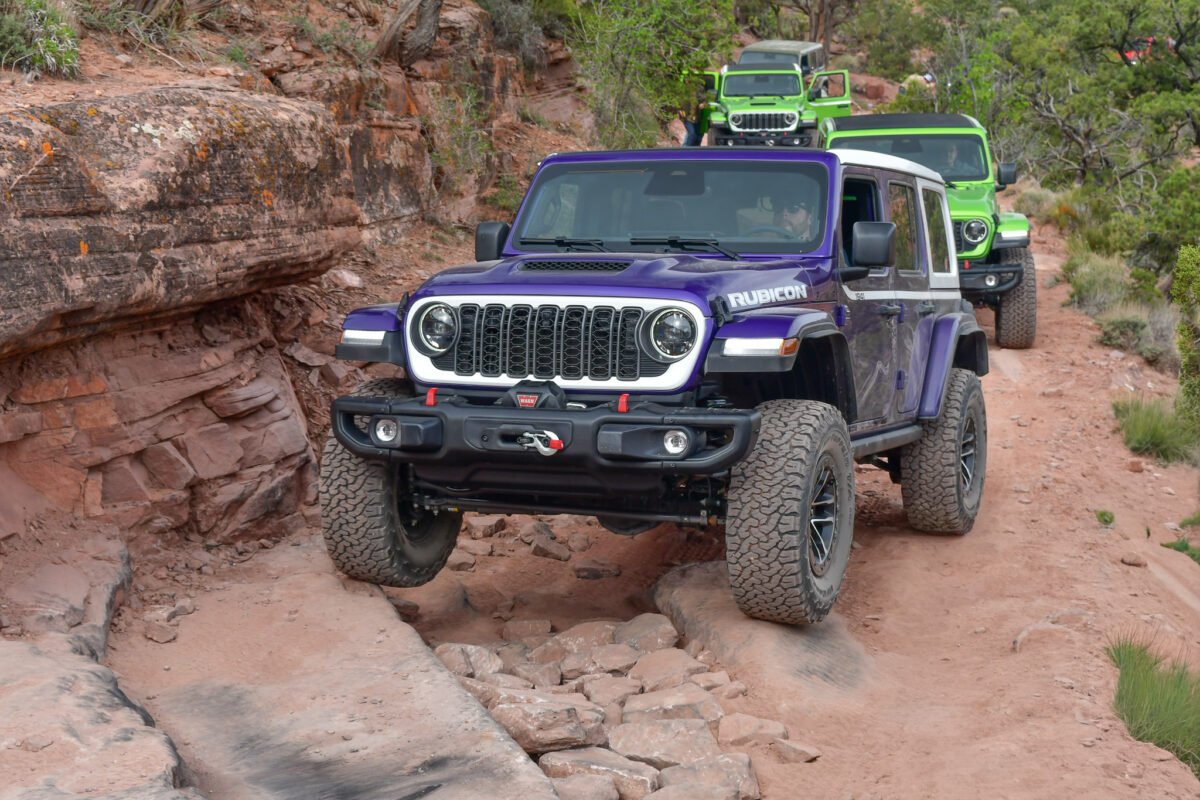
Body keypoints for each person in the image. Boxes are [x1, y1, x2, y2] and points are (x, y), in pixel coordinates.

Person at [680, 79, 707, 147]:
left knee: (698, 137)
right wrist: (680, 111)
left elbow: (706, 100)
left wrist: (703, 104)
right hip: (688, 118)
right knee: (692, 135)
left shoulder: (700, 89)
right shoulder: (684, 90)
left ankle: (696, 152)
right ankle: (687, 152)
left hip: (698, 118)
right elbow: (678, 103)